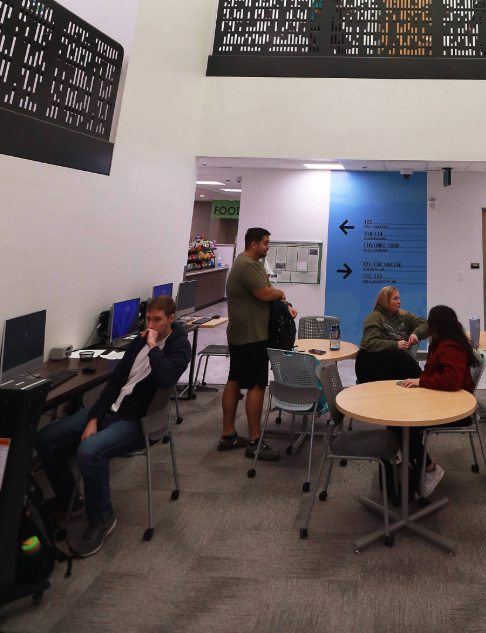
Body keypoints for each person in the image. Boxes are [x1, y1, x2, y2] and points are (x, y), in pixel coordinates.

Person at [35, 295, 191, 557]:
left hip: (139, 421)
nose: (150, 325)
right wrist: (93, 419)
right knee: (46, 439)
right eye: (148, 319)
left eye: (157, 320)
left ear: (171, 319)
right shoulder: (139, 341)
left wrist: (153, 346)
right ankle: (69, 501)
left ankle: (102, 517)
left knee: (89, 451)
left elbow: (166, 378)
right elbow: (115, 383)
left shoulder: (180, 345)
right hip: (111, 410)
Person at [219, 226, 295, 461]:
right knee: (257, 385)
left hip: (243, 334)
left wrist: (281, 300)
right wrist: (280, 294)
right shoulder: (247, 265)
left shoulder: (251, 264)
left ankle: (228, 435)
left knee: (234, 379)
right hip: (251, 336)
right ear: (253, 244)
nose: (268, 247)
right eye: (265, 243)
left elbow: (265, 291)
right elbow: (265, 293)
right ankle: (254, 442)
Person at [400, 305, 477, 497]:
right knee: (399, 421)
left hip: (455, 410)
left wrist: (421, 382)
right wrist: (419, 382)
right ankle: (403, 459)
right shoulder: (443, 342)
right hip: (443, 401)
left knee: (405, 426)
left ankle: (430, 469)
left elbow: (452, 381)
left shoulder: (451, 347)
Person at [354, 286, 427, 383]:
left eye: (399, 298)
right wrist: (395, 345)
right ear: (385, 301)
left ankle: (423, 381)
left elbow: (425, 324)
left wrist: (416, 334)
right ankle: (423, 381)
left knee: (401, 358)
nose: (399, 302)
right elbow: (370, 343)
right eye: (395, 299)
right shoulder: (374, 317)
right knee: (399, 354)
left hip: (394, 364)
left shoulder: (404, 316)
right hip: (370, 363)